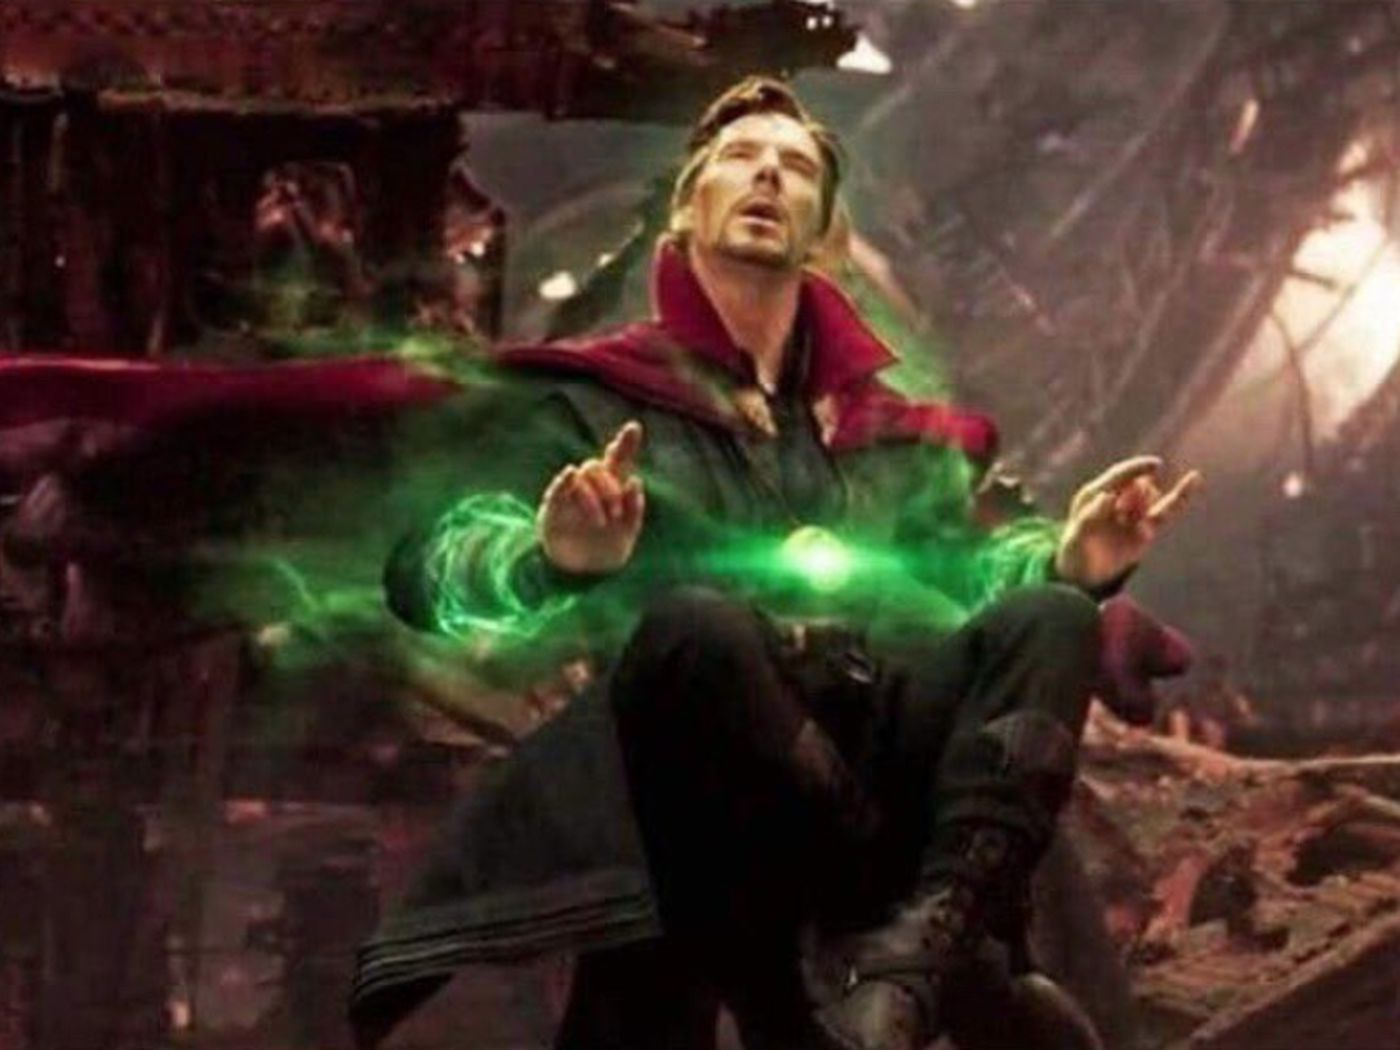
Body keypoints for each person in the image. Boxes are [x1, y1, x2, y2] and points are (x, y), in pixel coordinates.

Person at [350, 77, 1201, 1050]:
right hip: (698, 798)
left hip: (882, 757)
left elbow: (973, 585)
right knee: (697, 626)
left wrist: (1069, 559)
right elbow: (428, 574)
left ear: (824, 233)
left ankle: (917, 955)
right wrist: (544, 559)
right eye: (739, 158)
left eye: (794, 167)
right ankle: (891, 957)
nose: (766, 175)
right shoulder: (589, 401)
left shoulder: (893, 433)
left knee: (1052, 616)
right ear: (686, 208)